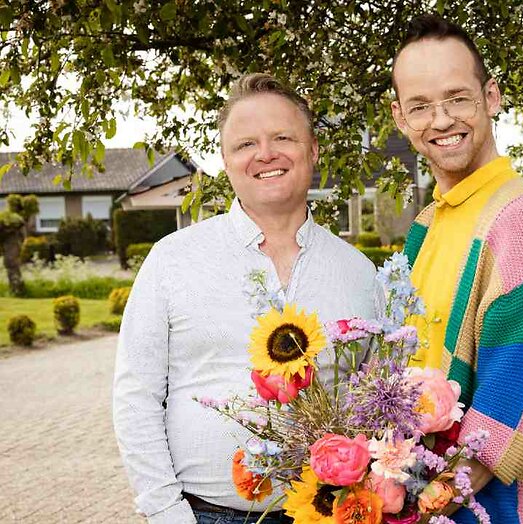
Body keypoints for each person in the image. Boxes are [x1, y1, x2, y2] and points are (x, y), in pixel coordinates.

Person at [113, 73, 380, 524]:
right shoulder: (173, 259)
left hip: (326, 513)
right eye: (245, 144)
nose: (265, 154)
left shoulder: (359, 273)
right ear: (225, 159)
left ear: (312, 149)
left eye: (282, 137)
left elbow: (372, 405)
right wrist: (166, 513)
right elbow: (135, 396)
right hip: (203, 514)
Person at [391, 14, 523, 524]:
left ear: (491, 96)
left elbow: (518, 384)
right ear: (400, 118)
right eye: (421, 106)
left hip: (477, 510)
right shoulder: (428, 223)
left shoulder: (518, 216)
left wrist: (428, 502)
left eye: (457, 98)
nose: (441, 120)